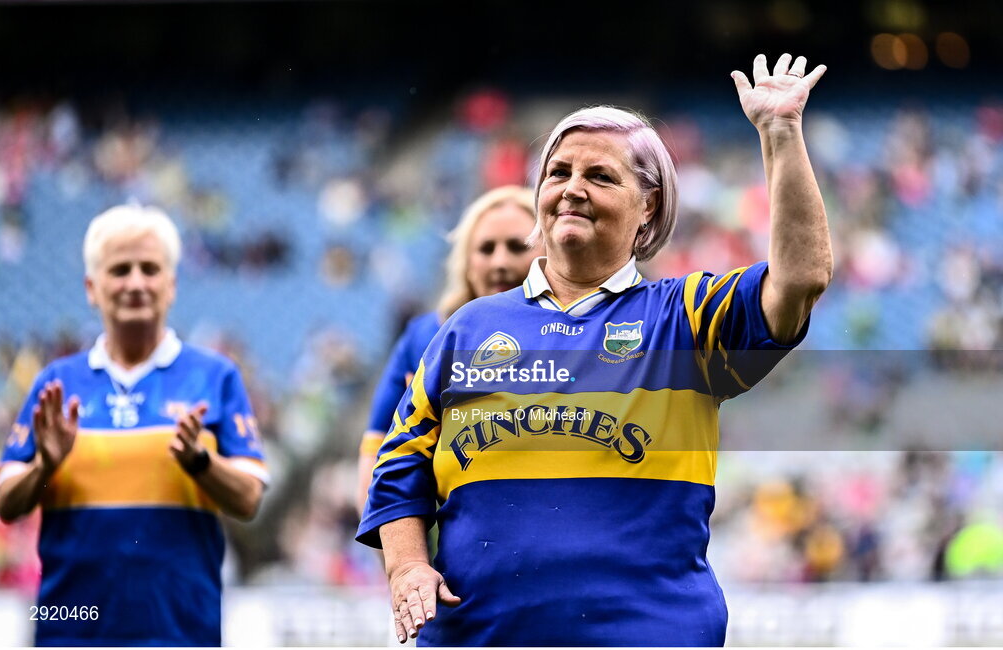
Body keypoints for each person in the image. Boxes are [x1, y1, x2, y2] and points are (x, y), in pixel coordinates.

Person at [357, 53, 832, 645]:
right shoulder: (465, 329)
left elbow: (799, 281)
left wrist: (781, 136)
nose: (572, 190)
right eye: (557, 174)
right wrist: (406, 565)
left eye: (600, 177)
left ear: (648, 207)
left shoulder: (687, 317)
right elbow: (399, 470)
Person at [0, 204, 268, 646]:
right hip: (70, 629)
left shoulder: (216, 377)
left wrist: (200, 462)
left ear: (172, 284)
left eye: (150, 269)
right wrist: (45, 466)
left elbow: (249, 499)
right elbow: (8, 504)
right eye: (120, 270)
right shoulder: (56, 383)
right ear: (91, 287)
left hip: (181, 629)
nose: (136, 283)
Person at [356, 185, 542, 514]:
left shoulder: (577, 335)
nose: (500, 261)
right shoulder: (424, 338)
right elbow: (375, 457)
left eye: (517, 246)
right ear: (466, 262)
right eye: (486, 248)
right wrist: (401, 560)